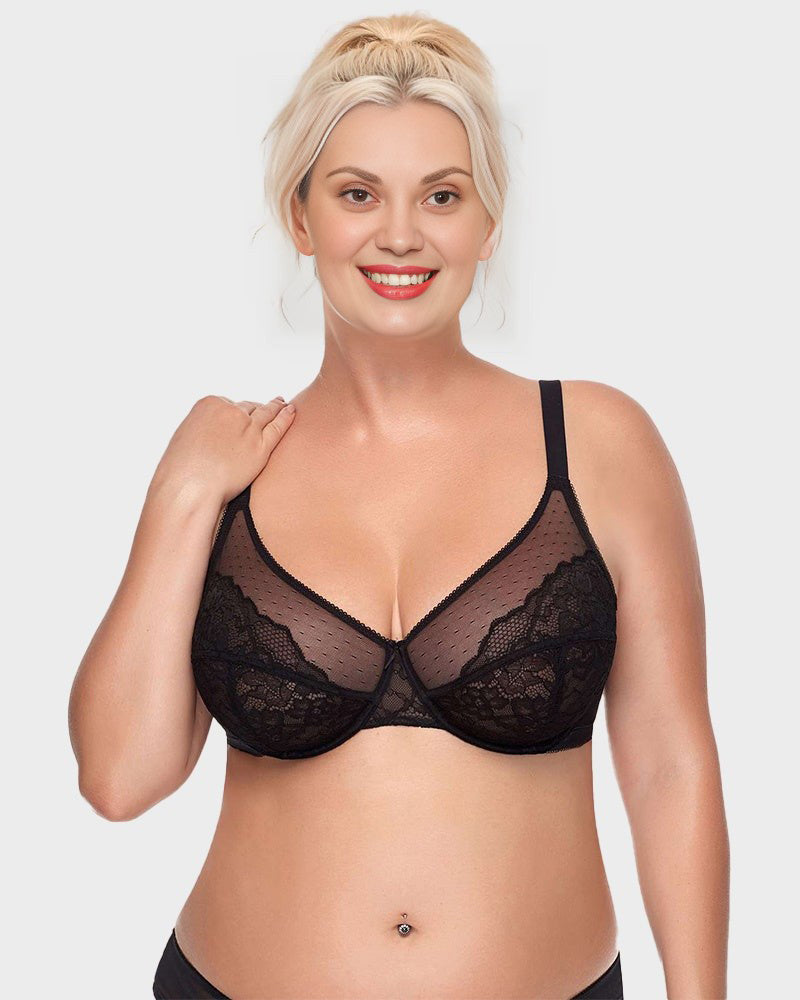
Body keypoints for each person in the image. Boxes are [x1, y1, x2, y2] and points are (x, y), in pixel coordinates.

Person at [68, 14, 729, 999]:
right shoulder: (230, 469)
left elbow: (671, 764)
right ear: (300, 219)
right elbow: (120, 780)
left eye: (441, 195)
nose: (401, 234)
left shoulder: (596, 443)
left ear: (487, 223)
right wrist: (180, 494)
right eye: (357, 193)